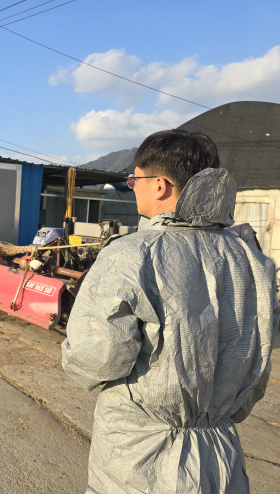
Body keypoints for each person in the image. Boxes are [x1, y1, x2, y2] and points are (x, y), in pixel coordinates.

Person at [61, 129, 279, 493]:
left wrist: (71, 355)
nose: (132, 187)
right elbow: (258, 366)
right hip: (219, 453)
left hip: (138, 456)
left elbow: (97, 356)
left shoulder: (132, 254)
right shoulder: (253, 261)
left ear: (159, 185)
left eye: (135, 178)